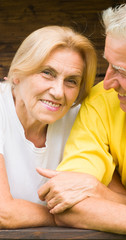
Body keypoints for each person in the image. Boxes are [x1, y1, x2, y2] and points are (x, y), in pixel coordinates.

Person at [37, 0, 126, 239]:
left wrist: (110, 207)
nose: (107, 83)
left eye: (122, 71)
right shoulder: (101, 101)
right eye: (109, 64)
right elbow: (68, 204)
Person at [0, 25, 98, 228]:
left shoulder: (80, 118)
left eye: (71, 81)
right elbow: (3, 212)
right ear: (17, 73)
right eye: (47, 73)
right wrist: (72, 216)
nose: (58, 92)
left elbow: (119, 200)